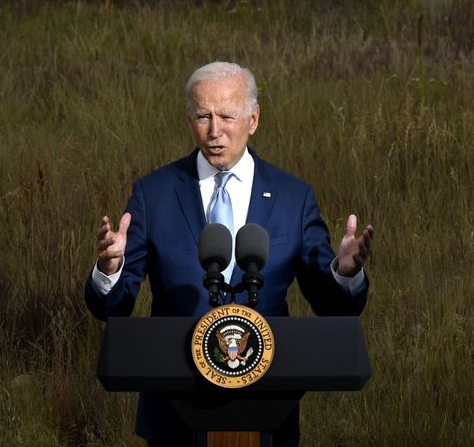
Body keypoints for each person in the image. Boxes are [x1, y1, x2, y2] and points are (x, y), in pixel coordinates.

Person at [86, 61, 372, 446]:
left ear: (253, 119)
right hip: (175, 410)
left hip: (268, 405)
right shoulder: (154, 193)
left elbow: (332, 305)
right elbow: (112, 308)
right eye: (203, 116)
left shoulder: (293, 197)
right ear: (190, 119)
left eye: (226, 116)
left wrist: (345, 272)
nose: (214, 131)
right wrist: (110, 269)